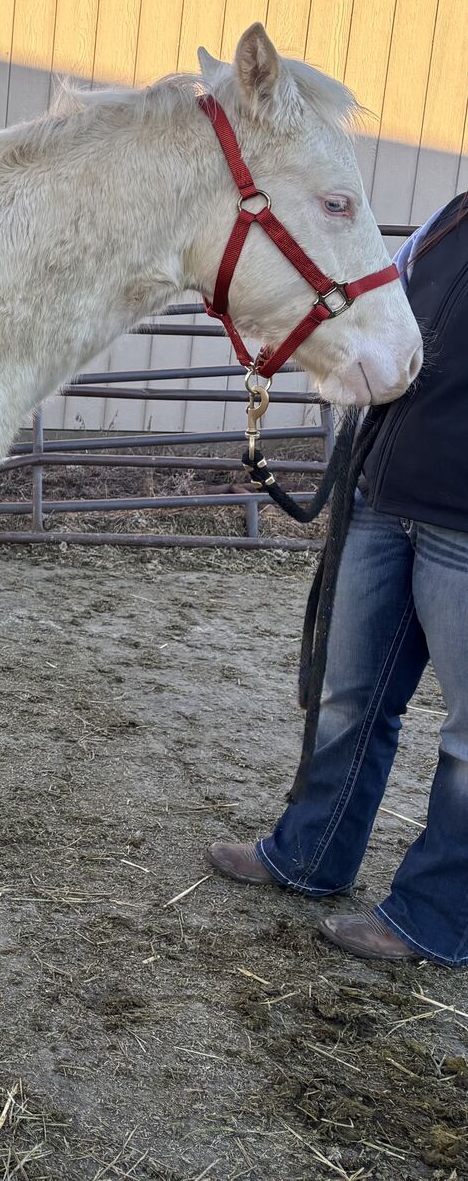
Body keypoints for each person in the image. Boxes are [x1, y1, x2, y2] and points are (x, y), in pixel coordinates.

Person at [208, 191, 468, 966]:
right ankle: (309, 853)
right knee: (348, 694)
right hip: (383, 499)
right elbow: (371, 300)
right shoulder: (452, 217)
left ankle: (432, 914)